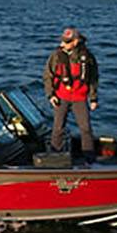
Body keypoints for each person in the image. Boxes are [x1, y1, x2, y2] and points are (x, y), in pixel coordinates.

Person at [44, 26, 98, 159]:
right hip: (61, 96)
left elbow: (93, 78)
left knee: (85, 128)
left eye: (67, 42)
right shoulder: (56, 56)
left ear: (76, 41)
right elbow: (47, 76)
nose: (63, 44)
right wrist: (51, 95)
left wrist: (93, 98)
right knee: (58, 128)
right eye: (62, 41)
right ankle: (54, 157)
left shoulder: (88, 57)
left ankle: (89, 158)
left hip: (80, 97)